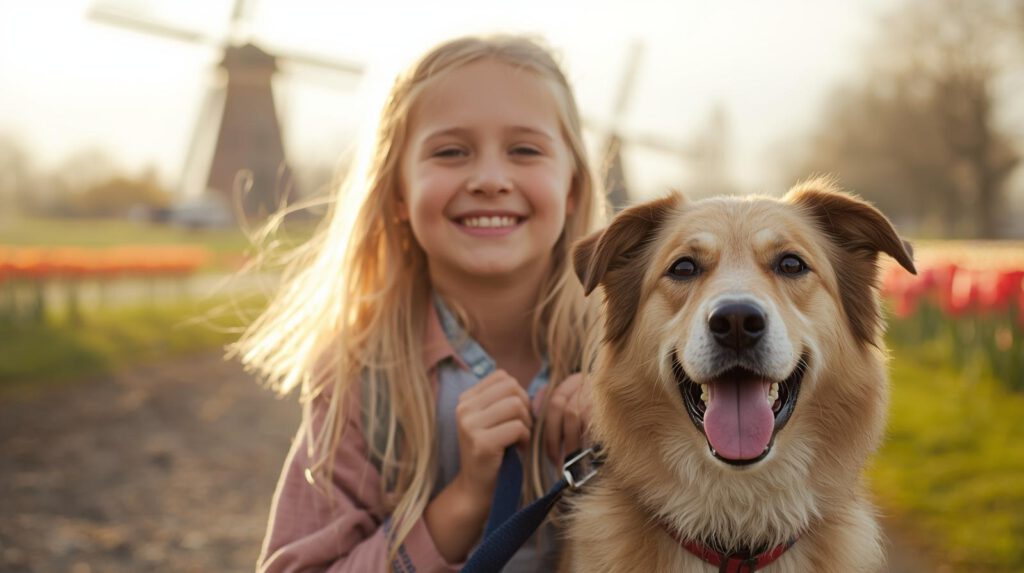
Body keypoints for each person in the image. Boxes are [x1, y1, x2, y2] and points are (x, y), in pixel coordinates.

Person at [232, 34, 607, 572]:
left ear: (572, 185)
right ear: (399, 194)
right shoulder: (362, 378)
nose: (490, 180)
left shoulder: (641, 354)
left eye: (525, 150)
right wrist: (460, 504)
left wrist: (628, 439)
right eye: (451, 152)